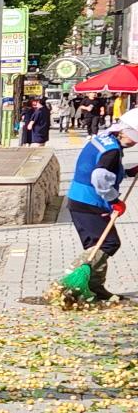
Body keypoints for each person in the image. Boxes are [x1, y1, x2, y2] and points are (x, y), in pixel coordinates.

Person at [66, 107, 138, 301]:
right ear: (127, 132)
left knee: (95, 243)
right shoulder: (113, 151)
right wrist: (115, 201)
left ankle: (95, 287)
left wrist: (130, 172)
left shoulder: (104, 139)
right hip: (90, 202)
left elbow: (107, 169)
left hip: (78, 198)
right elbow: (100, 176)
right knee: (108, 242)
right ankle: (70, 280)